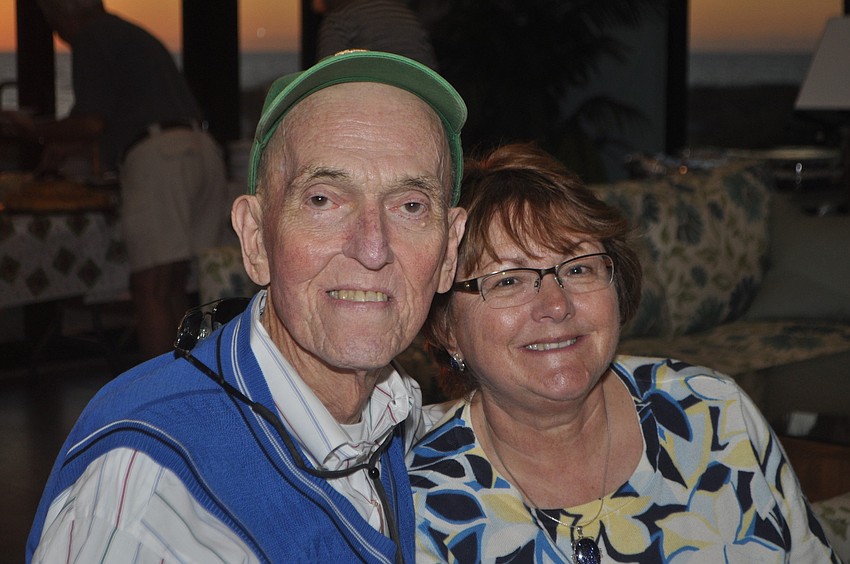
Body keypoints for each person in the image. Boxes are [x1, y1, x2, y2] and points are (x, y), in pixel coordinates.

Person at [27, 50, 467, 563]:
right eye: (323, 200)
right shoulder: (154, 497)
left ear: (448, 252)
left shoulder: (388, 417)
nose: (372, 248)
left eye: (410, 206)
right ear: (256, 239)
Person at [408, 142, 838, 563]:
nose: (557, 305)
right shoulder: (419, 496)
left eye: (578, 268)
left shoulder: (713, 413)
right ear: (447, 328)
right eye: (508, 280)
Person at [29, 0, 230, 358]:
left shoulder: (91, 39)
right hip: (203, 152)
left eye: (53, 23)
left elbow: (92, 122)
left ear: (63, 16)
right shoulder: (131, 35)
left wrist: (35, 129)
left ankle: (159, 401)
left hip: (160, 159)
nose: (58, 35)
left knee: (150, 288)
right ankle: (195, 390)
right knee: (175, 287)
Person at [314, 0, 438, 70]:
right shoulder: (404, 11)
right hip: (423, 87)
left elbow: (327, 70)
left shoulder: (338, 17)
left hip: (380, 87)